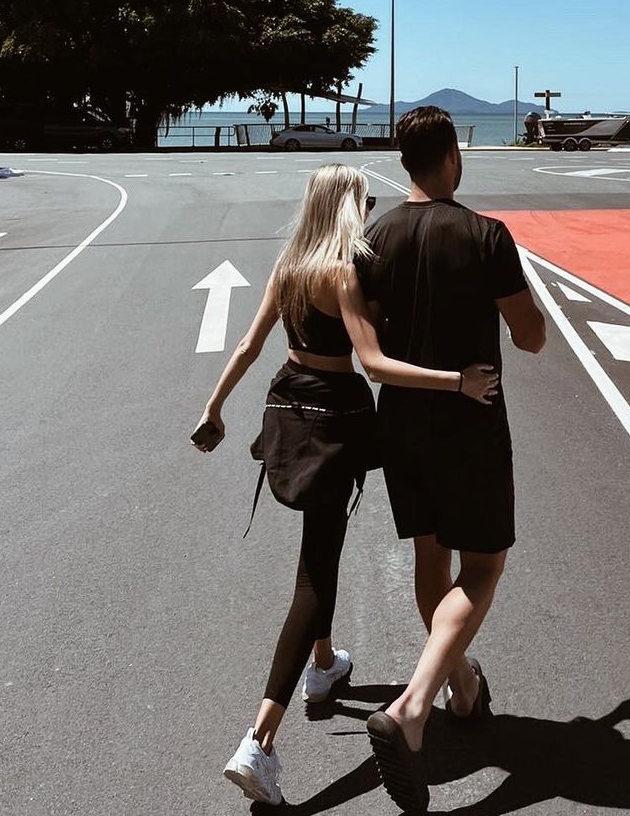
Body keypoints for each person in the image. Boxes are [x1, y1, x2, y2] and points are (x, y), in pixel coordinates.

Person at [192, 164, 499, 807]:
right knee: (315, 573)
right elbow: (375, 363)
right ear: (347, 208)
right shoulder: (343, 273)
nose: (370, 211)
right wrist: (458, 382)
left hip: (288, 406)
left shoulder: (290, 265)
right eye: (365, 202)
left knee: (320, 542)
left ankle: (325, 664)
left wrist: (214, 408)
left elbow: (248, 345)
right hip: (334, 421)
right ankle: (259, 741)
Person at [347, 106, 546, 812]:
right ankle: (413, 706)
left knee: (430, 558)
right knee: (483, 565)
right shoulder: (485, 234)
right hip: (471, 420)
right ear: (453, 156)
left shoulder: (372, 239)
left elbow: (368, 344)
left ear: (404, 161)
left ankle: (462, 687)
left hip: (403, 421)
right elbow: (530, 336)